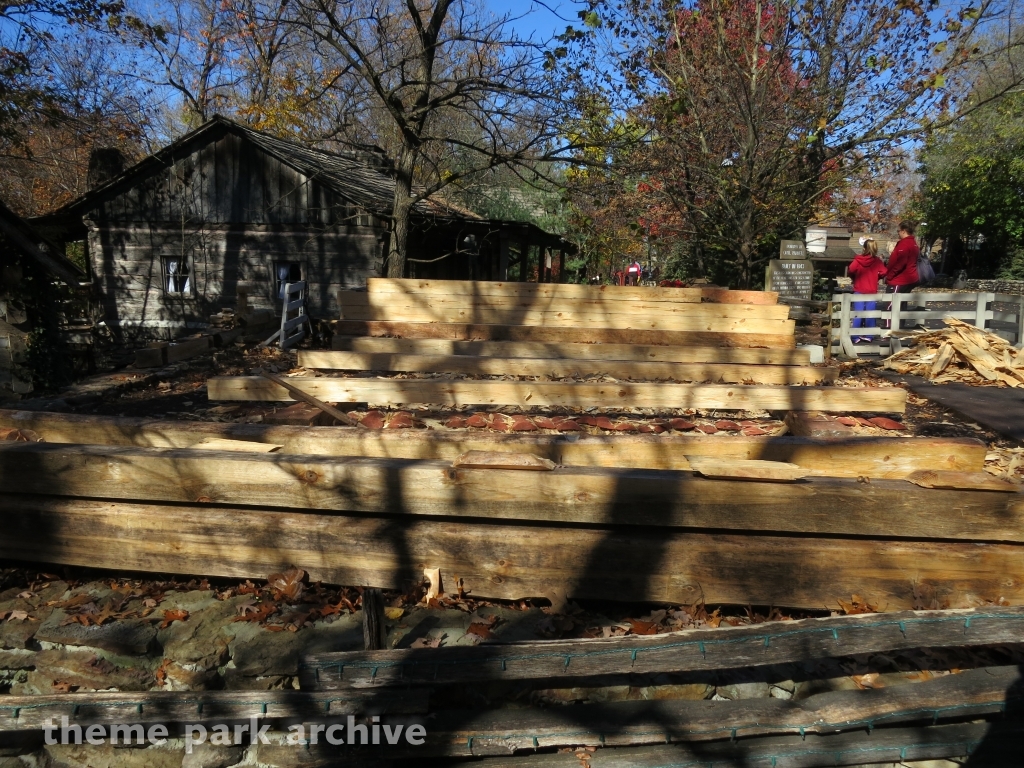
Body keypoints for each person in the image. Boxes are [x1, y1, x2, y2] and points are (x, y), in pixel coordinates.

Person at [847, 237, 886, 343]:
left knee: (857, 313)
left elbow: (851, 270)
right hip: (871, 290)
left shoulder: (858, 260)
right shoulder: (877, 261)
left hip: (859, 289)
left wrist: (854, 277)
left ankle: (855, 336)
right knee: (870, 314)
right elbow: (884, 272)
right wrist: (877, 277)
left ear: (864, 248)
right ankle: (869, 335)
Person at [884, 221, 920, 328]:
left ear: (904, 231)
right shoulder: (913, 243)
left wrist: (890, 276)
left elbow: (900, 263)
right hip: (908, 279)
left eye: (898, 231)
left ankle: (889, 329)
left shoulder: (904, 244)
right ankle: (899, 327)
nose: (898, 233)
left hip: (899, 280)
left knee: (891, 304)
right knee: (902, 305)